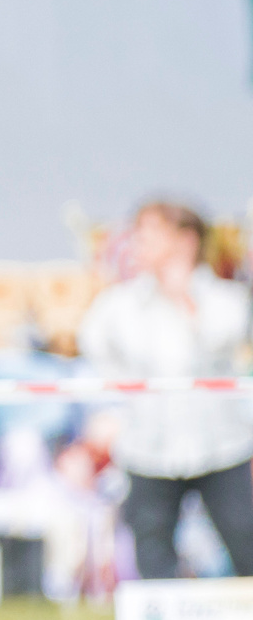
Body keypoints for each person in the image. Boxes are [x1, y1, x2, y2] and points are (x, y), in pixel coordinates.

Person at [78, 200, 253, 579]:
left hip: (221, 447)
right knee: (151, 550)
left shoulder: (225, 298)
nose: (138, 244)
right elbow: (94, 348)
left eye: (150, 234)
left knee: (246, 543)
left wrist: (182, 297)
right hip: (148, 449)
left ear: (186, 240)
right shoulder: (120, 303)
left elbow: (223, 338)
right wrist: (117, 407)